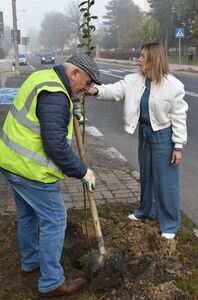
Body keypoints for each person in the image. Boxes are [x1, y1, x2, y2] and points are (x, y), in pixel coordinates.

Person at [0, 54, 101, 297]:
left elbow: (46, 117)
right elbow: (55, 146)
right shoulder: (56, 95)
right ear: (74, 74)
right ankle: (52, 282)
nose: (87, 90)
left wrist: (69, 112)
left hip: (11, 162)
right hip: (31, 171)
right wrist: (82, 171)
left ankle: (31, 261)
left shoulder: (43, 77)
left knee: (28, 216)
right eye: (86, 83)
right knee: (55, 220)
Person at [88, 42, 188, 240]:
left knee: (166, 182)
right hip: (144, 133)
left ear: (153, 60)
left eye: (142, 57)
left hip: (164, 136)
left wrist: (178, 145)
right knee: (147, 176)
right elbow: (115, 90)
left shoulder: (174, 86)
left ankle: (170, 223)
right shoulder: (133, 79)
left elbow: (179, 117)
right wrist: (95, 91)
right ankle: (145, 210)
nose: (138, 59)